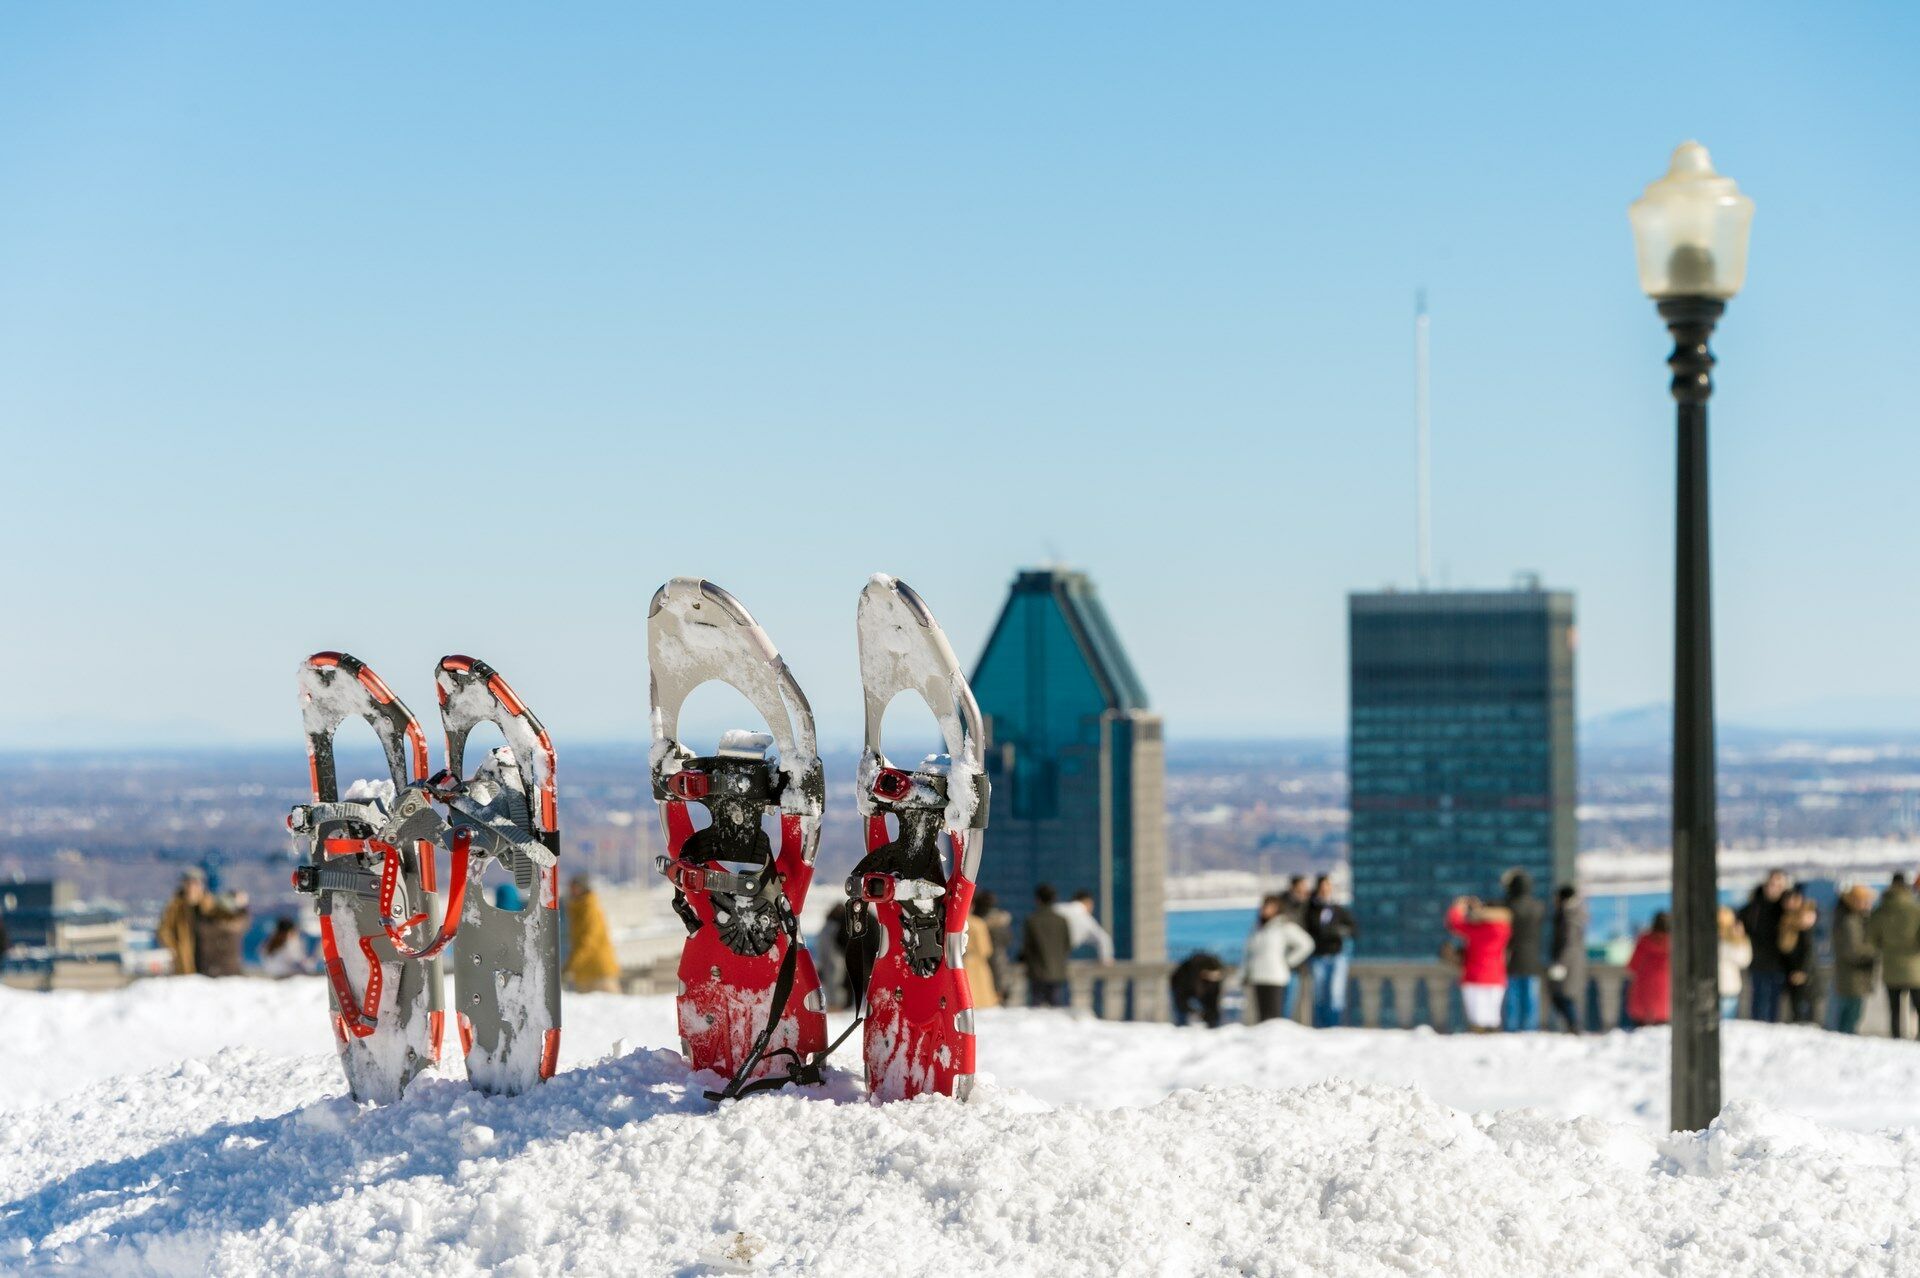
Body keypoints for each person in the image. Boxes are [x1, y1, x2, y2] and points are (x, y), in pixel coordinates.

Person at [1243, 893, 1314, 1025]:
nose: (1265, 909)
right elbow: (1249, 954)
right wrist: (1244, 973)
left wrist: (1288, 961)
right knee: (1262, 1020)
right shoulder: (1258, 929)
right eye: (1264, 906)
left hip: (1275, 977)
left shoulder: (1283, 926)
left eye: (1269, 906)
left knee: (1275, 1019)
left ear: (1277, 908)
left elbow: (1307, 944)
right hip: (1258, 977)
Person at [1445, 896, 1511, 1033]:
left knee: (1477, 1016)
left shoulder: (1476, 929)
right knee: (1493, 1015)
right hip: (1496, 976)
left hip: (1474, 975)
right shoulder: (1504, 929)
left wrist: (1459, 907)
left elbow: (1455, 923)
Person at [1869, 873, 1920, 1039]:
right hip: (1915, 968)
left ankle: (1896, 1038)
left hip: (1890, 967)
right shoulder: (1915, 910)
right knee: (1918, 1007)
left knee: (1894, 1010)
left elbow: (1872, 939)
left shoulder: (1880, 910)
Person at [1304, 876, 1356, 1028]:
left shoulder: (1338, 909)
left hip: (1336, 956)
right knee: (1319, 995)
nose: (1325, 890)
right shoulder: (1311, 910)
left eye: (1328, 886)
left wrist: (1339, 931)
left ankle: (1333, 1027)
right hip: (1318, 957)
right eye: (1323, 886)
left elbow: (1354, 929)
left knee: (1335, 995)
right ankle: (1320, 1027)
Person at [1739, 870, 1791, 1022]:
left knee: (1775, 1003)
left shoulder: (1787, 906)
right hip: (1758, 961)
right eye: (1772, 884)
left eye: (1779, 884)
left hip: (1779, 963)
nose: (1774, 888)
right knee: (1758, 1000)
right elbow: (1742, 921)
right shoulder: (1755, 905)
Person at [1502, 869, 1546, 1032]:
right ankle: (1530, 1029)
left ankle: (1512, 1028)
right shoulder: (1538, 907)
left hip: (1513, 956)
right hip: (1533, 958)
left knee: (1513, 998)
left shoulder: (1509, 907)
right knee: (1531, 998)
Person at [1831, 884, 1878, 1035]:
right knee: (1852, 1014)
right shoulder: (1850, 921)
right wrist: (1874, 952)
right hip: (1853, 975)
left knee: (1851, 1012)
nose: (1868, 905)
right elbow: (1853, 950)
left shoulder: (1852, 918)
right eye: (1865, 901)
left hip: (1853, 975)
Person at [562, 875, 620, 993]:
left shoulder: (589, 908)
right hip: (586, 972)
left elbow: (588, 941)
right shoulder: (577, 908)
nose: (571, 890)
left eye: (574, 887)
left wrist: (571, 965)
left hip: (598, 971)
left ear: (582, 888)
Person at [1020, 884, 1073, 1008]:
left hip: (1037, 972)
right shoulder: (1062, 920)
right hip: (1057, 971)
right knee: (1056, 1006)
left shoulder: (1032, 920)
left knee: (1035, 1006)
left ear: (1038, 899)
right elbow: (1068, 945)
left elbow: (1028, 947)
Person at [1547, 885, 1588, 1033]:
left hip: (1567, 963)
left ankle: (1574, 1027)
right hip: (1573, 962)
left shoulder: (1568, 916)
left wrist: (1560, 964)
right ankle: (1573, 1027)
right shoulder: (1575, 913)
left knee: (1564, 996)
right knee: (1564, 996)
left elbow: (1569, 943)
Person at [1779, 888, 1819, 1025]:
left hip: (1807, 974)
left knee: (1806, 1010)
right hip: (1792, 972)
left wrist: (1803, 971)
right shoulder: (1787, 922)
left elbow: (1809, 951)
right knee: (1796, 1010)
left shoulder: (1807, 923)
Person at [1626, 912, 1673, 1027]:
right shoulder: (1674, 943)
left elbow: (1632, 965)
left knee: (1640, 1033)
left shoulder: (1644, 940)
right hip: (1666, 994)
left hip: (1643, 993)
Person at [158, 872, 206, 976]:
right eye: (188, 884)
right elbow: (163, 930)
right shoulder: (175, 906)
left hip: (208, 959)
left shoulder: (209, 904)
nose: (192, 888)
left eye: (195, 884)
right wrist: (176, 948)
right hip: (185, 959)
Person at [193, 890, 250, 978]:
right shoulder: (235, 925)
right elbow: (242, 921)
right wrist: (243, 907)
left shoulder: (206, 925)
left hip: (209, 971)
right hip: (228, 971)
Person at [1279, 877, 1314, 1020]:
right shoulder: (1284, 905)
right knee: (1285, 1000)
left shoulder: (1306, 904)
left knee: (1296, 999)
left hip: (1299, 963)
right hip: (1284, 959)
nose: (1304, 891)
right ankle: (1282, 1024)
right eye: (1301, 887)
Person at [1169, 951, 1226, 1027]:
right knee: (1181, 1014)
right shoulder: (1184, 975)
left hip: (1199, 989)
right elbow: (1180, 1000)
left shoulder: (1215, 979)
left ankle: (1213, 1026)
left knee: (1212, 1015)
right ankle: (1181, 1026)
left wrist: (1209, 1018)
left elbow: (1213, 1003)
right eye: (1209, 977)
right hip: (1180, 986)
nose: (1212, 979)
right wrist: (1192, 1011)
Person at [1057, 890, 1114, 964]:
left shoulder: (1058, 907)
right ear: (1088, 902)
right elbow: (1104, 939)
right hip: (1057, 957)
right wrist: (1106, 959)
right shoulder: (1086, 918)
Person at [964, 894, 1000, 1010]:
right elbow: (985, 950)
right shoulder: (978, 923)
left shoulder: (955, 922)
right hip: (977, 964)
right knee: (980, 995)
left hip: (962, 962)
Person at [978, 890, 1014, 1003]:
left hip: (982, 960)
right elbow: (1008, 940)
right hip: (999, 958)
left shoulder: (977, 922)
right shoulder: (1001, 921)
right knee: (1001, 986)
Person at [1717, 906, 1751, 1020]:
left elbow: (1744, 961)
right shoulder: (1712, 940)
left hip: (1729, 989)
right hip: (1712, 989)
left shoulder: (1735, 942)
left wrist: (1740, 939)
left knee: (1727, 1023)